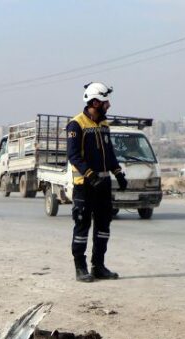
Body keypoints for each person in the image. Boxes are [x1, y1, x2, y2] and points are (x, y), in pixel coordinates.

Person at [67, 82, 127, 282]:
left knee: (103, 227)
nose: (108, 105)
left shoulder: (103, 125)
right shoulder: (76, 124)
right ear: (94, 102)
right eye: (105, 102)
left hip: (104, 185)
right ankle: (80, 267)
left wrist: (118, 173)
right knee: (82, 226)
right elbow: (74, 156)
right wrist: (91, 176)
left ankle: (98, 266)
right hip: (85, 187)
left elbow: (109, 153)